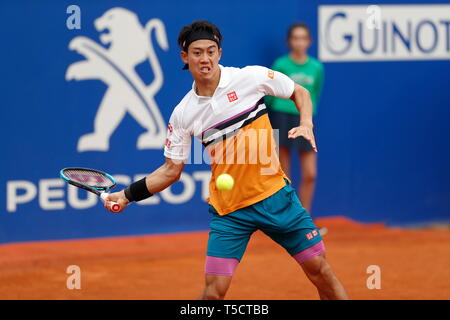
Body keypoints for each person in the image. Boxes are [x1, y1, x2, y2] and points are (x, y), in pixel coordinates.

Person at [104, 20, 348, 300]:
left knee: (321, 272)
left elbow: (299, 92)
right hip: (231, 211)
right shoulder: (183, 114)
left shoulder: (250, 78)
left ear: (219, 52)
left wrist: (306, 123)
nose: (205, 59)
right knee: (213, 294)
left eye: (211, 51)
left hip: (277, 198)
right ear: (185, 57)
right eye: (197, 52)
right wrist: (125, 196)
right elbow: (170, 171)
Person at [265, 23, 324, 227]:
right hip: (280, 117)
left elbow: (313, 94)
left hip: (304, 120)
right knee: (284, 174)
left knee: (310, 174)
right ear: (289, 42)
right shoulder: (281, 64)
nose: (299, 42)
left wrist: (305, 116)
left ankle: (304, 220)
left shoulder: (317, 67)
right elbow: (270, 96)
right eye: (295, 38)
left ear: (309, 41)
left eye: (303, 38)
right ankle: (287, 220)